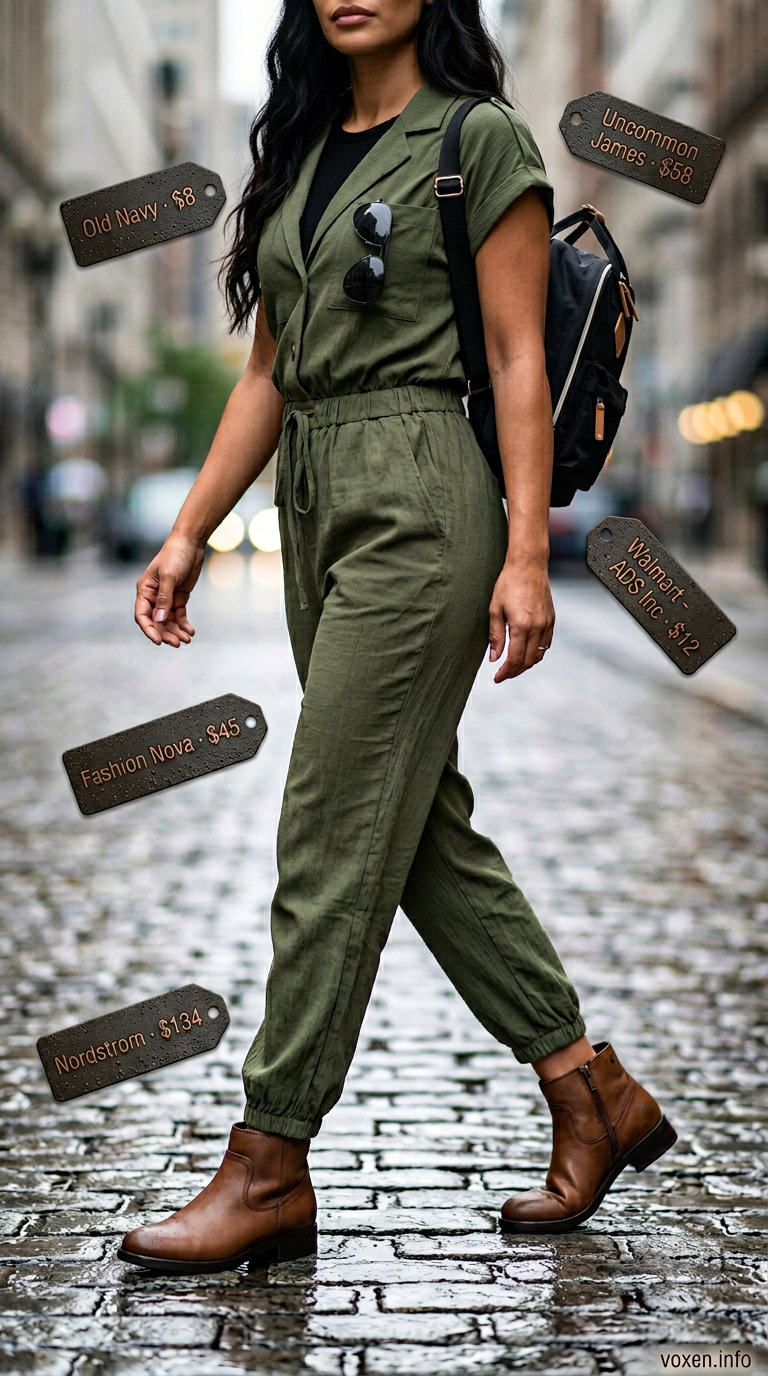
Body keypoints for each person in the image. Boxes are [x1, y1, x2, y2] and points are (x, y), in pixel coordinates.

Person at [119, 0, 677, 1274]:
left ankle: (268, 1160)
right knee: (410, 821)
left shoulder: (478, 140)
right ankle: (588, 1085)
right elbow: (268, 371)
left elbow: (517, 356)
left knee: (328, 824)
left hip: (426, 497)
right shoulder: (305, 152)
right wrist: (191, 530)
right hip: (315, 496)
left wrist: (529, 554)